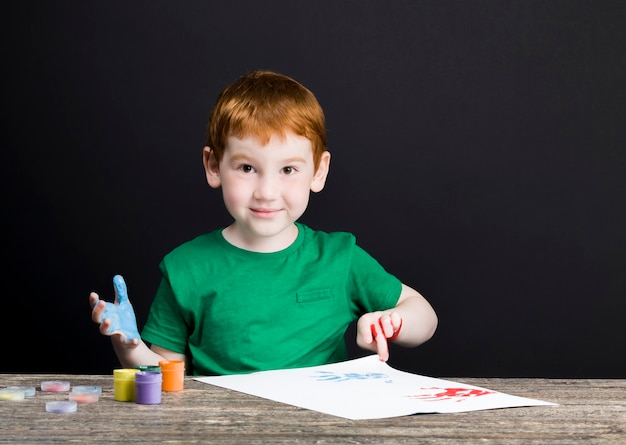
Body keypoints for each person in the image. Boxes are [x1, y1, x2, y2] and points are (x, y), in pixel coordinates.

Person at [89, 69, 438, 376]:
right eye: (246, 168)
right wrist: (130, 346)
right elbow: (167, 376)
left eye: (288, 170)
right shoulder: (185, 269)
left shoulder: (339, 258)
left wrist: (392, 323)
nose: (267, 192)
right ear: (214, 166)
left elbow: (424, 315)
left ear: (318, 171)